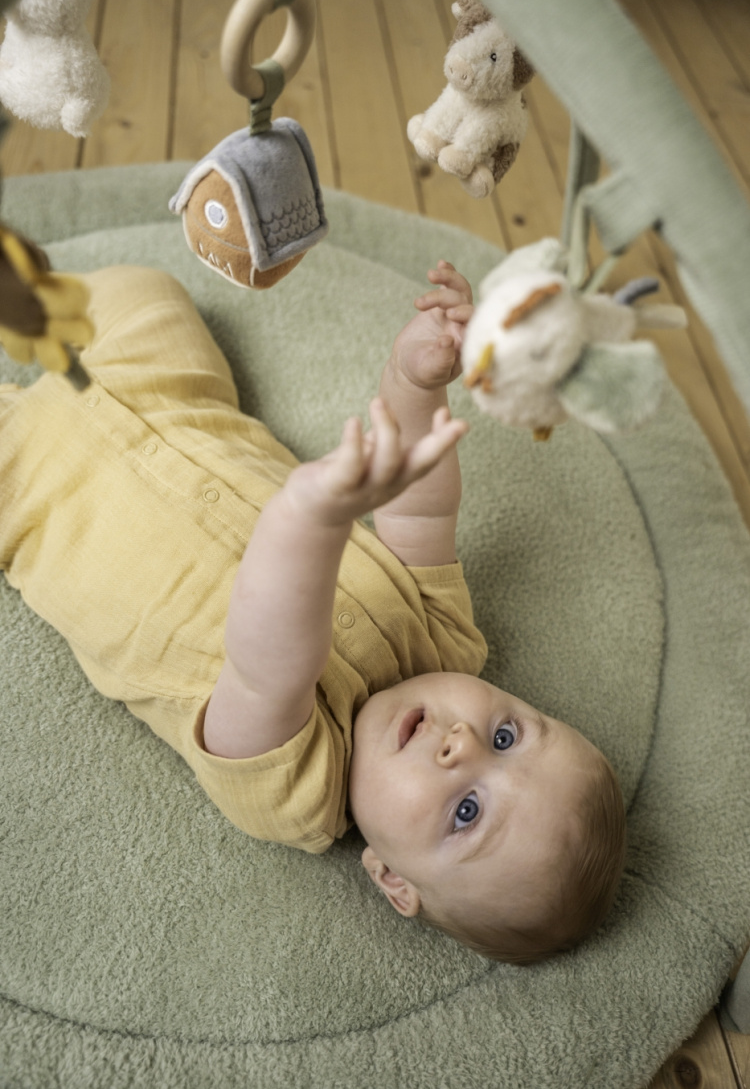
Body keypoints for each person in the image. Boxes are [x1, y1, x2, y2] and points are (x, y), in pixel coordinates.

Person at [0, 259, 626, 965]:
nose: (463, 745)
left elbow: (267, 663)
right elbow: (420, 506)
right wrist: (416, 383)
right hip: (171, 399)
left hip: (33, 495)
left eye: (466, 811)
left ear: (392, 878)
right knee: (148, 296)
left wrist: (310, 520)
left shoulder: (299, 794)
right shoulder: (447, 643)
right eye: (506, 735)